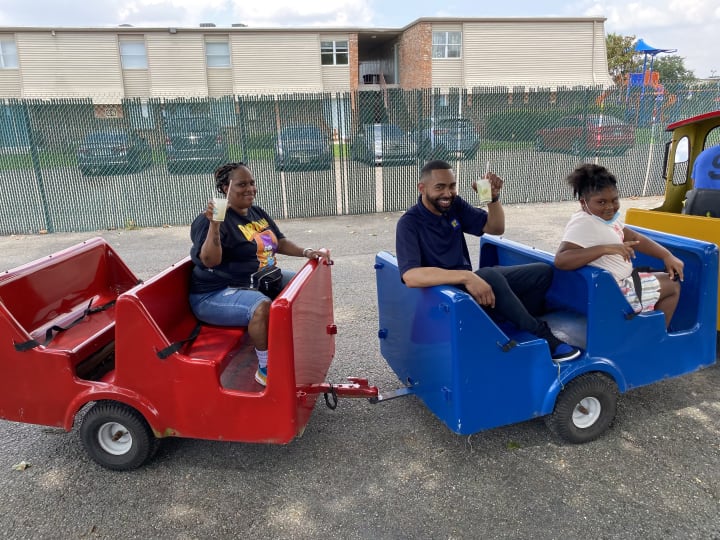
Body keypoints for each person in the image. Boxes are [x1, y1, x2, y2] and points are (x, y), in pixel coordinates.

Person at [395, 159, 581, 362]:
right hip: (444, 299)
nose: (448, 193)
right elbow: (411, 276)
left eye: (452, 186)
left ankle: (507, 319)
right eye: (440, 187)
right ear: (421, 188)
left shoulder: (454, 206)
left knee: (541, 272)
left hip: (466, 288)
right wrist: (466, 277)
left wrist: (492, 199)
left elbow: (495, 228)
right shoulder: (409, 223)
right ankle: (543, 336)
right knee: (488, 275)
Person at [188, 162, 331, 386]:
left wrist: (306, 252)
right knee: (261, 307)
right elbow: (210, 260)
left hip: (256, 281)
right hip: (215, 293)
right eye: (242, 184)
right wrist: (215, 225)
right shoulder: (209, 220)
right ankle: (265, 368)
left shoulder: (256, 212)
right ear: (226, 188)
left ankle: (294, 348)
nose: (250, 189)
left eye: (252, 183)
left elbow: (279, 242)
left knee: (303, 287)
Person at [555, 163, 683, 328]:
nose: (610, 207)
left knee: (663, 275)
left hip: (616, 285)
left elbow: (634, 237)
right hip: (616, 293)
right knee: (672, 285)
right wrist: (605, 249)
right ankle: (655, 338)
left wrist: (666, 255)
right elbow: (561, 259)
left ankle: (648, 331)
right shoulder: (584, 223)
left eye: (614, 200)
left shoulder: (603, 219)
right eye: (601, 202)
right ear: (583, 203)